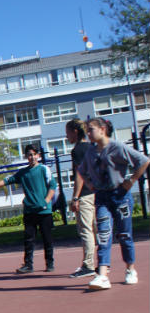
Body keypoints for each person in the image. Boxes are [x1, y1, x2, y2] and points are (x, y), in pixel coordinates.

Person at [72, 117, 150, 290]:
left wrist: (131, 180)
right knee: (104, 235)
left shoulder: (117, 147)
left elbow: (143, 161)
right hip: (101, 198)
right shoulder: (90, 152)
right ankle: (102, 275)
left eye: (91, 129)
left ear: (102, 129)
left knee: (124, 234)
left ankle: (130, 269)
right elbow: (81, 170)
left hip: (120, 195)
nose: (88, 133)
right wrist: (91, 184)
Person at [0, 145, 56, 273]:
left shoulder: (44, 169)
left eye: (33, 154)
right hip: (29, 211)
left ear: (38, 155)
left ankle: (49, 263)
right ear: (26, 157)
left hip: (44, 211)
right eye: (29, 155)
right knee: (28, 239)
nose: (31, 157)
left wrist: (46, 201)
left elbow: (52, 186)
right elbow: (7, 180)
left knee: (47, 238)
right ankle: (28, 265)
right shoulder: (23, 172)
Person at [65, 119, 97, 278]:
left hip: (85, 194)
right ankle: (103, 263)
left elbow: (79, 174)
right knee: (96, 229)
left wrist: (75, 197)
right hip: (97, 192)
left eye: (68, 132)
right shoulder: (92, 147)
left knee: (86, 230)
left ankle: (89, 265)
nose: (66, 135)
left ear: (75, 131)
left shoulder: (77, 150)